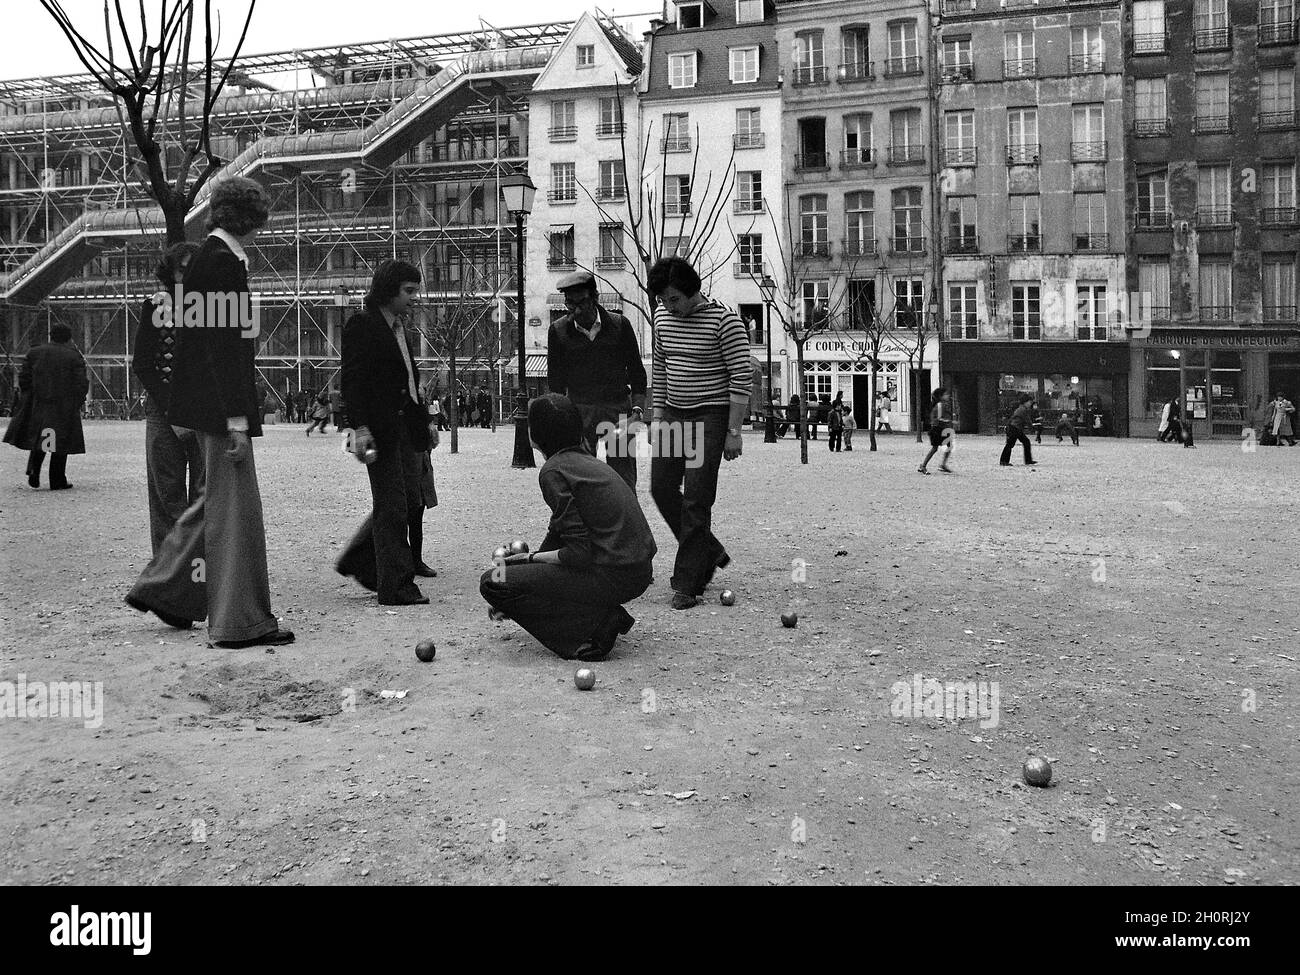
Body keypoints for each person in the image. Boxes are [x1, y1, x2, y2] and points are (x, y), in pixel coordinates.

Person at [126, 176, 294, 648]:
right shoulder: (224, 265)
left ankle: (166, 590)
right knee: (235, 515)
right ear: (250, 217)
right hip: (222, 412)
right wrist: (237, 419)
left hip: (204, 407)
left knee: (211, 506)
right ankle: (237, 622)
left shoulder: (205, 260)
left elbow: (201, 349)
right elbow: (226, 352)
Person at [480, 394, 655, 661]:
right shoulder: (586, 462)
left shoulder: (553, 470)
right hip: (635, 571)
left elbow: (577, 553)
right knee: (511, 578)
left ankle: (596, 625)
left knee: (493, 581)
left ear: (534, 435)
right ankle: (600, 617)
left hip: (613, 575)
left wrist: (528, 560)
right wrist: (524, 581)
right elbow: (558, 533)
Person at [647, 257, 750, 610]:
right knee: (660, 487)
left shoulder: (725, 322)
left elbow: (740, 381)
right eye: (662, 299)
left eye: (673, 299)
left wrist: (733, 431)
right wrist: (658, 415)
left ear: (693, 291)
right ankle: (709, 551)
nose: (668, 307)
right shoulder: (662, 319)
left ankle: (688, 583)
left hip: (711, 415)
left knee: (696, 497)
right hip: (674, 412)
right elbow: (660, 368)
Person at [335, 259, 439, 606]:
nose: (414, 298)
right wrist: (359, 427)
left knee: (409, 500)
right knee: (393, 505)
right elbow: (352, 381)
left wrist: (424, 423)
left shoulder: (398, 326)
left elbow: (408, 381)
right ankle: (395, 586)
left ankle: (361, 562)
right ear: (388, 290)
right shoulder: (362, 326)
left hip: (404, 427)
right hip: (378, 430)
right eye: (408, 291)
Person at [132, 241, 205, 553]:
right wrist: (174, 412)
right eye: (184, 269)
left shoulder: (212, 307)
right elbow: (143, 365)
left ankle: (197, 567)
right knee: (166, 497)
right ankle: (169, 574)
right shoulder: (155, 306)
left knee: (204, 496)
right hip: (163, 412)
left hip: (202, 411)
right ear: (171, 274)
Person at [547, 269, 648, 490]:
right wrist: (561, 419)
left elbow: (637, 373)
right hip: (579, 411)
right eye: (569, 303)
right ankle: (585, 523)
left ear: (595, 298)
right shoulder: (558, 331)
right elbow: (555, 382)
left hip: (618, 409)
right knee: (580, 477)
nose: (576, 309)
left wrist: (638, 409)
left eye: (581, 302)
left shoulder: (620, 325)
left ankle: (626, 521)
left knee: (624, 479)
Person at [4, 323, 88, 490]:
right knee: (61, 442)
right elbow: (81, 383)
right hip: (63, 405)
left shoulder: (34, 352)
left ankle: (34, 470)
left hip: (39, 403)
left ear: (51, 336)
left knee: (42, 437)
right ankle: (57, 479)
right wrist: (76, 402)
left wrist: (30, 396)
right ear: (68, 338)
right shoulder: (74, 356)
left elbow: (24, 378)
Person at [918, 388, 954, 474]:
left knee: (949, 446)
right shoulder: (940, 405)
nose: (948, 396)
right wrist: (950, 421)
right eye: (946, 394)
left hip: (942, 429)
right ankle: (923, 466)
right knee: (935, 448)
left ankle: (943, 465)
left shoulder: (943, 404)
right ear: (941, 396)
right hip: (937, 429)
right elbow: (939, 418)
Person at [999, 392, 1038, 467]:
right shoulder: (1023, 410)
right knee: (1010, 444)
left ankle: (1027, 460)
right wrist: (1032, 429)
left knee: (1025, 442)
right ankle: (1004, 461)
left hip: (1015, 428)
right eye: (1029, 402)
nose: (1030, 404)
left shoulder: (1020, 409)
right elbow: (1027, 420)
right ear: (1025, 402)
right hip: (1014, 428)